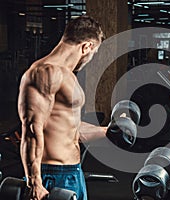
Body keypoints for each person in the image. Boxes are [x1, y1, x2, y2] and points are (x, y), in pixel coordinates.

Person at [17, 15, 107, 200]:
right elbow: (32, 129)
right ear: (87, 47)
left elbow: (70, 127)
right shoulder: (44, 73)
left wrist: (108, 131)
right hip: (52, 174)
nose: (90, 58)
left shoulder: (68, 75)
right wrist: (35, 181)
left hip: (73, 172)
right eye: (93, 53)